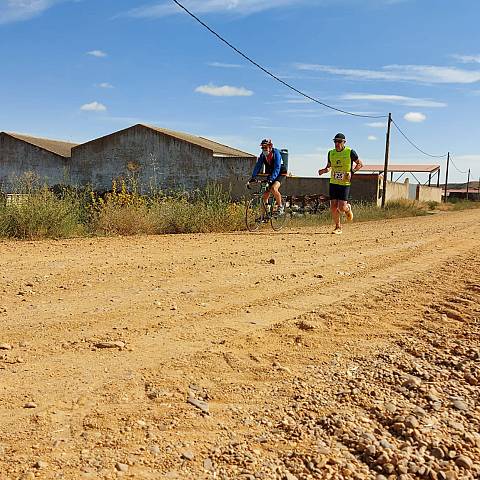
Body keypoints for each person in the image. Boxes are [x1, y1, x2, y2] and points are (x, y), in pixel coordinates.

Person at [318, 133, 363, 234]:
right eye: (335, 141)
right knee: (333, 207)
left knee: (341, 208)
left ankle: (348, 208)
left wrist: (352, 172)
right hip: (333, 182)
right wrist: (323, 170)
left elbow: (360, 164)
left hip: (344, 183)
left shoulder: (350, 152)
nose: (337, 143)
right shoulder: (331, 153)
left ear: (344, 142)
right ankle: (338, 227)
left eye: (339, 141)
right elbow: (329, 167)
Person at [248, 138, 287, 214]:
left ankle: (280, 207)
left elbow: (277, 168)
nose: (264, 149)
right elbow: (258, 166)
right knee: (265, 195)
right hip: (271, 174)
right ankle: (266, 213)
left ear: (270, 146)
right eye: (262, 147)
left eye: (265, 147)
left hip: (281, 174)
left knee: (273, 188)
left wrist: (271, 179)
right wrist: (253, 177)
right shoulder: (263, 155)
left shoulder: (276, 154)